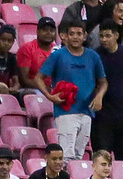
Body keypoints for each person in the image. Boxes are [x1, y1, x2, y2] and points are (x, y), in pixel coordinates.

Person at [36, 20, 107, 164]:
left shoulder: (93, 56)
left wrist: (99, 96)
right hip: (66, 111)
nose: (75, 37)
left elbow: (103, 81)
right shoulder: (58, 55)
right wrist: (50, 96)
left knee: (79, 156)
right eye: (72, 34)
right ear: (65, 36)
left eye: (79, 34)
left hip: (87, 111)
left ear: (85, 36)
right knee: (66, 156)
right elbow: (39, 77)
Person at [93, 20, 123, 161]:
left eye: (108, 36)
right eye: (101, 36)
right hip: (103, 116)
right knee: (102, 158)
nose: (104, 39)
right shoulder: (95, 55)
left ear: (116, 35)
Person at [17, 17, 57, 92]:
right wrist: (45, 89)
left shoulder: (57, 50)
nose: (48, 33)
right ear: (37, 32)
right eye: (44, 30)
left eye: (51, 31)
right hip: (33, 89)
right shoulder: (27, 48)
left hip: (53, 90)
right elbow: (25, 80)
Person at [0, 24, 20, 96]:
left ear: (13, 42)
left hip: (6, 91)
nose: (6, 43)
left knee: (28, 93)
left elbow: (16, 81)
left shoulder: (12, 58)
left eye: (9, 41)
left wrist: (15, 88)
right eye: (3, 40)